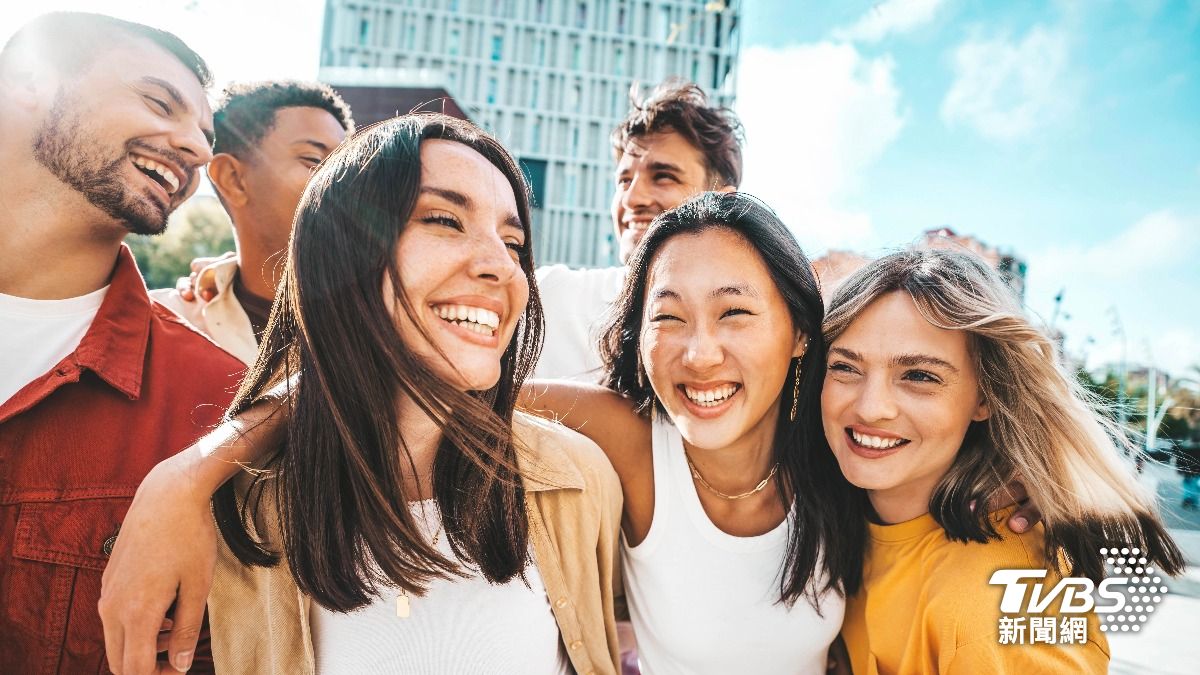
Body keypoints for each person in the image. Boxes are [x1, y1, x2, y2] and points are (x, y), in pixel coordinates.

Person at [105, 113, 624, 675]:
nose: (502, 266)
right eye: (445, 219)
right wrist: (186, 480)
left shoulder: (576, 481)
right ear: (345, 253)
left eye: (514, 241)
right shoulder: (236, 517)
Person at [523, 191, 860, 673]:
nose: (700, 355)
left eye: (734, 313)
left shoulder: (840, 453)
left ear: (800, 332)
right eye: (667, 317)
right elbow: (455, 404)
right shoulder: (635, 441)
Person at [0, 12, 241, 674]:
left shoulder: (214, 405)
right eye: (160, 102)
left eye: (204, 135)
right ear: (28, 80)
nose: (194, 148)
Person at [821, 249, 1185, 674]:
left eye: (920, 375)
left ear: (985, 398)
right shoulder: (838, 517)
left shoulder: (996, 598)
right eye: (845, 367)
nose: (871, 408)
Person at [532, 79, 742, 381]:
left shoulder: (746, 333)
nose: (632, 199)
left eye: (663, 176)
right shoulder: (550, 297)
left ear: (722, 202)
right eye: (624, 181)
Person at [151, 80, 353, 363]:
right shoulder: (159, 329)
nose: (344, 182)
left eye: (349, 166)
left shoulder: (390, 330)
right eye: (314, 160)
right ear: (233, 179)